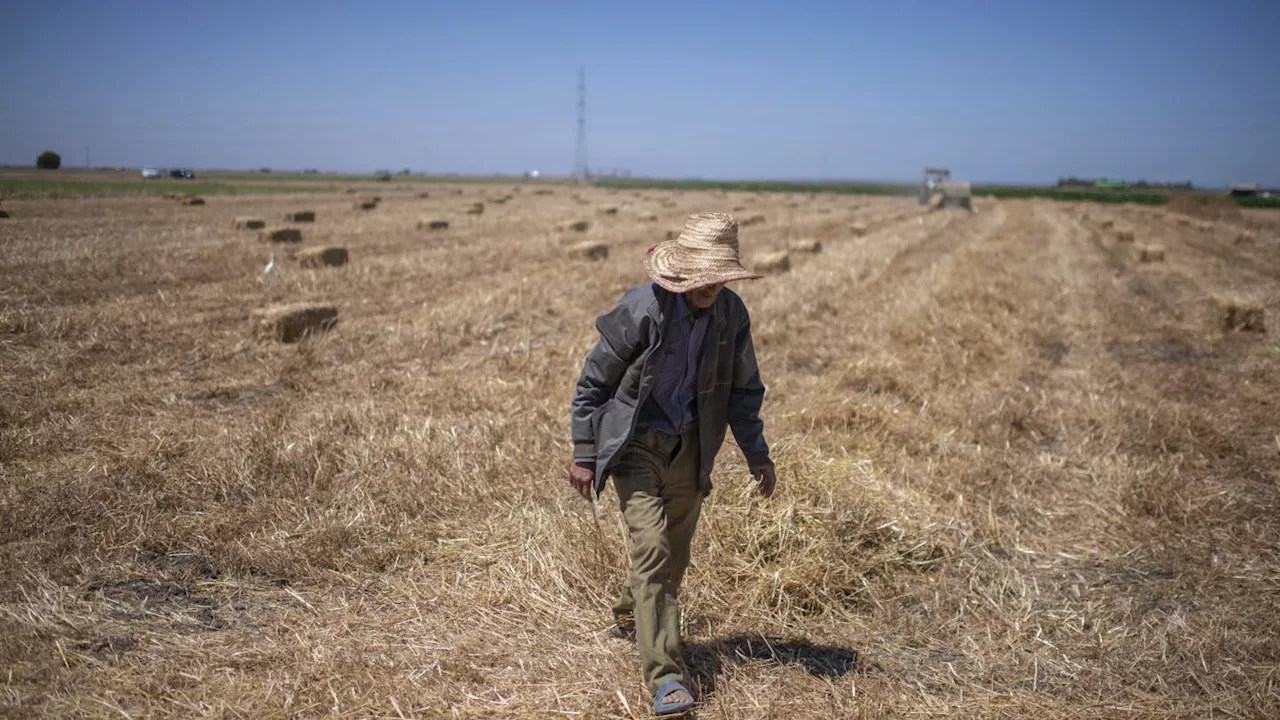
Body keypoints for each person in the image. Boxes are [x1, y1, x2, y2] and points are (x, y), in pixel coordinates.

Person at [568, 212, 778, 716]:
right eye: (703, 276)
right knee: (654, 551)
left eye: (719, 277)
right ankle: (666, 676)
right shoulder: (642, 309)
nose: (711, 287)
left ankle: (629, 613)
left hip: (692, 447)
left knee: (671, 558)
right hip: (636, 447)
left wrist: (757, 454)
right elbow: (594, 381)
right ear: (682, 270)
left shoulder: (731, 316)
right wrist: (584, 451)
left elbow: (744, 391)